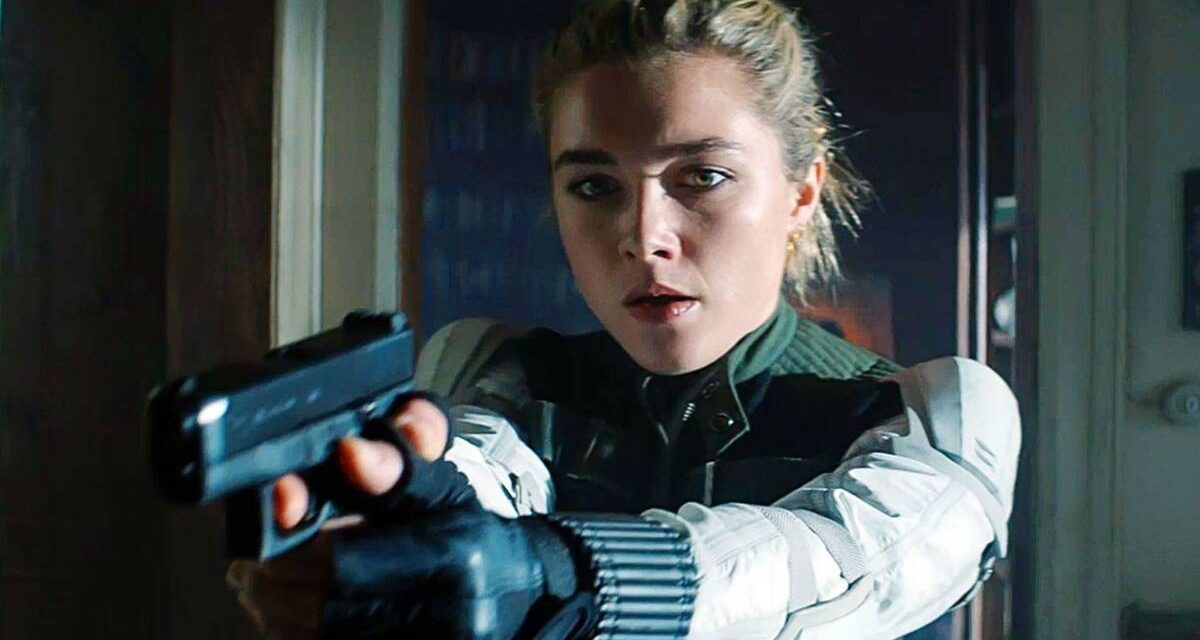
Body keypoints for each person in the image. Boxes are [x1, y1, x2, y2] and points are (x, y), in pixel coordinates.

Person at [225, 0, 1020, 638]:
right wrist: (401, 523)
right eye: (595, 186)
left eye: (701, 176)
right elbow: (482, 462)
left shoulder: (931, 417)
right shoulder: (501, 373)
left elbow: (841, 556)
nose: (644, 236)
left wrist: (561, 574)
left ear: (801, 192)